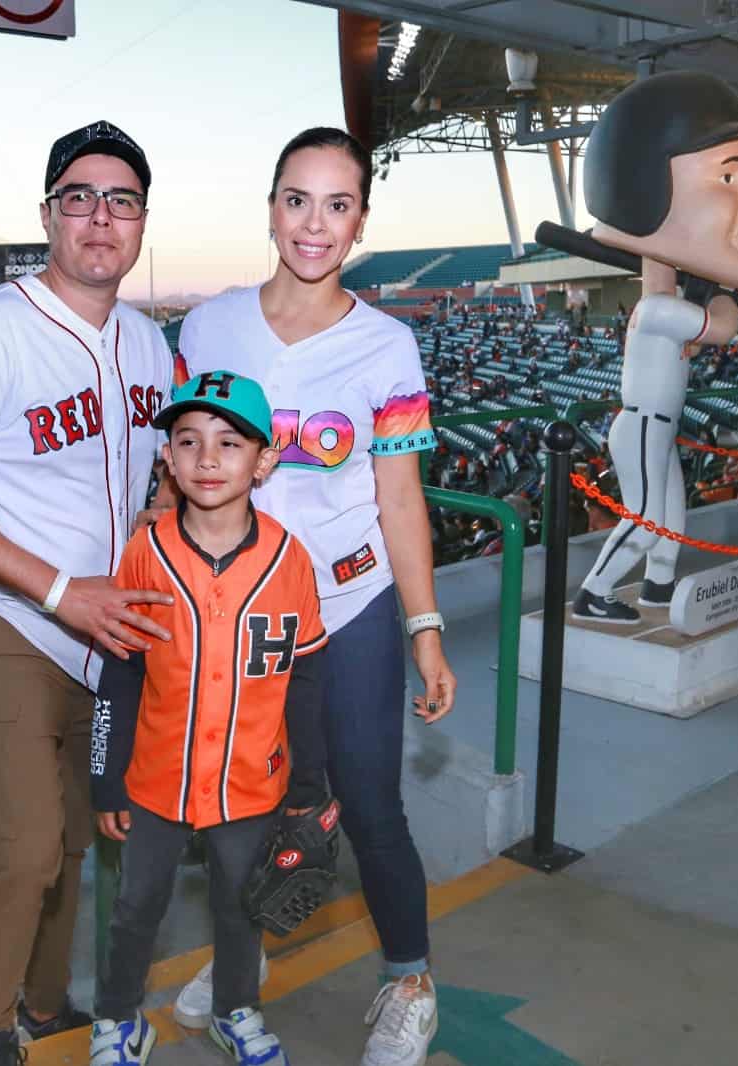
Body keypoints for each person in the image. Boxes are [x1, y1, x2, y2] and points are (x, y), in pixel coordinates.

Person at [173, 127, 456, 1066]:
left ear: (361, 222)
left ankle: (410, 979)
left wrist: (424, 629)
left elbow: (399, 497)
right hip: (243, 614)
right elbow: (179, 473)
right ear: (271, 207)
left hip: (351, 605)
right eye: (299, 199)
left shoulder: (388, 344)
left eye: (339, 205)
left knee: (371, 802)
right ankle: (240, 959)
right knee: (245, 806)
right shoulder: (210, 326)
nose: (315, 224)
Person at [0, 119, 172, 1066]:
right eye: (80, 198)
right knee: (23, 848)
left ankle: (47, 1007)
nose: (101, 216)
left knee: (74, 844)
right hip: (5, 619)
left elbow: (159, 482)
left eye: (121, 200)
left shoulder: (148, 345)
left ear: (141, 223)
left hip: (105, 636)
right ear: (48, 214)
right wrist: (59, 590)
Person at [89, 372, 326, 1066]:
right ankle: (119, 1018)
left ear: (264, 458)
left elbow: (307, 679)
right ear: (167, 457)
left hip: (253, 779)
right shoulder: (145, 550)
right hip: (155, 777)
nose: (208, 458)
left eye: (230, 442)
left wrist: (310, 782)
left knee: (240, 907)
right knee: (136, 908)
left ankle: (235, 1009)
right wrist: (106, 780)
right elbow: (121, 673)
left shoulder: (290, 558)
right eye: (188, 441)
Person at [567, 72, 738, 624]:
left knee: (671, 515)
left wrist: (658, 245)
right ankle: (595, 592)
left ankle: (658, 586)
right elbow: (722, 327)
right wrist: (722, 289)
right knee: (646, 517)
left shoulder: (660, 300)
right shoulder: (657, 314)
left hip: (658, 423)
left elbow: (658, 272)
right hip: (640, 425)